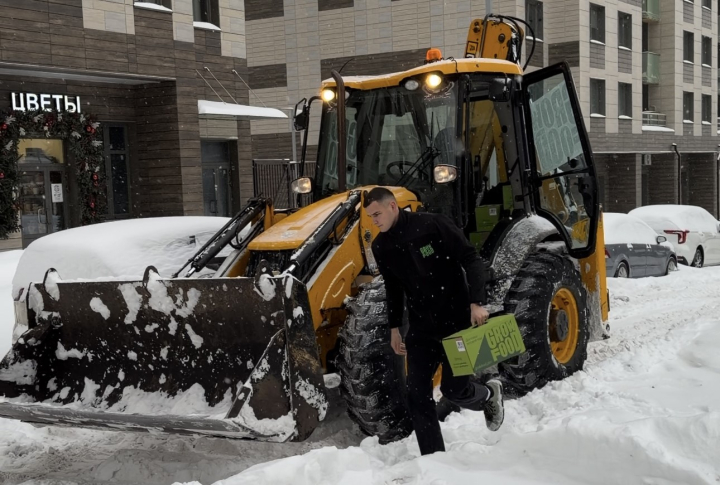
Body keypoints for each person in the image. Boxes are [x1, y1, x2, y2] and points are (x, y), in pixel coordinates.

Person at [363, 186, 504, 456]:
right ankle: (434, 459)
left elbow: (470, 259)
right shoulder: (381, 246)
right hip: (421, 329)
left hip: (456, 324)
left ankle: (488, 395)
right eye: (371, 217)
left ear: (392, 206)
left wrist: (476, 302)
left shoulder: (432, 225)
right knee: (417, 396)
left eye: (377, 214)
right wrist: (394, 328)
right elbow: (393, 288)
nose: (374, 221)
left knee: (454, 390)